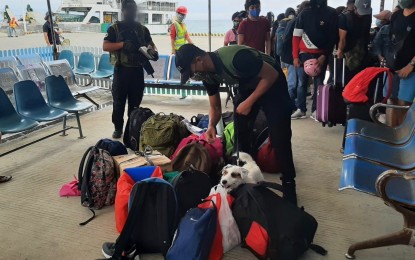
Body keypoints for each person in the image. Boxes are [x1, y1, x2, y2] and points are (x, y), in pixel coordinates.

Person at [175, 44, 298, 205]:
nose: (193, 77)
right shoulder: (207, 75)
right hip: (248, 83)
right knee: (241, 132)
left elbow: (271, 75)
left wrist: (249, 102)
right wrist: (211, 125)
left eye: (191, 72)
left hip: (272, 83)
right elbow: (215, 107)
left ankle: (289, 184)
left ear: (199, 60)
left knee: (279, 137)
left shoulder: (237, 58)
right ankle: (244, 178)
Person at [103, 0, 158, 139]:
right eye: (128, 10)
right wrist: (122, 44)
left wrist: (153, 52)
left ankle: (131, 127)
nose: (131, 13)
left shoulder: (142, 29)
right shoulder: (114, 28)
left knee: (135, 104)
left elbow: (151, 44)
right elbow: (106, 46)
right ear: (123, 11)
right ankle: (118, 128)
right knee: (119, 102)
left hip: (137, 71)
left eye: (133, 10)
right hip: (121, 71)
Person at [293, 0, 338, 119]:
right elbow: (296, 36)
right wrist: (295, 56)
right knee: (302, 82)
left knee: (319, 82)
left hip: (321, 55)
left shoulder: (332, 13)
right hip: (304, 54)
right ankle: (300, 109)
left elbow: (333, 37)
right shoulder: (304, 14)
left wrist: (325, 55)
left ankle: (316, 109)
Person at [280, 2, 311, 119]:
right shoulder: (295, 22)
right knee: (294, 84)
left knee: (299, 83)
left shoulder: (301, 22)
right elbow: (287, 41)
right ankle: (289, 107)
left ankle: (297, 107)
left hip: (296, 58)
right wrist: (294, 57)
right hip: (292, 58)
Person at [388, 0, 415, 125]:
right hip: (392, 68)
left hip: (410, 70)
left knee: (403, 104)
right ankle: (389, 136)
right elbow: (391, 40)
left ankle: (400, 140)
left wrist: (411, 65)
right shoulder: (396, 15)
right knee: (390, 101)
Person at [337, 0, 372, 83]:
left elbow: (367, 33)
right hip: (348, 52)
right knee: (347, 79)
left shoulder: (367, 15)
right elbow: (342, 39)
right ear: (355, 8)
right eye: (360, 12)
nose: (362, 15)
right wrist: (340, 50)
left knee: (360, 80)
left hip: (363, 51)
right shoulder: (345, 17)